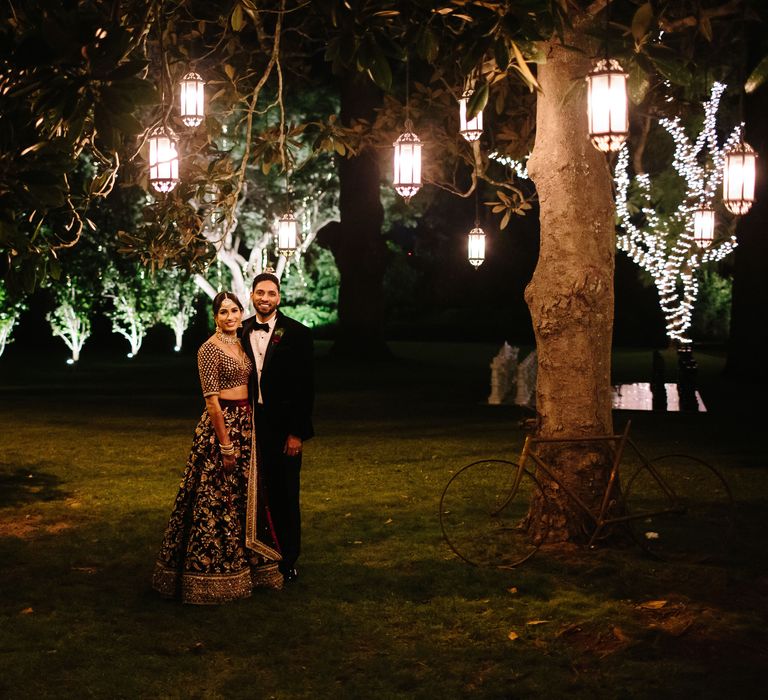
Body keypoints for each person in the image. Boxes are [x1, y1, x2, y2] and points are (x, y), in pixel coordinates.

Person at [152, 291, 283, 604]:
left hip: (245, 425)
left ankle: (247, 565)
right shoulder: (208, 349)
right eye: (223, 312)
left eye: (234, 311)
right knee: (215, 498)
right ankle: (210, 574)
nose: (230, 317)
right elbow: (211, 400)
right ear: (215, 316)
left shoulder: (240, 342)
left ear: (241, 313)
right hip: (221, 428)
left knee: (242, 497)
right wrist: (224, 444)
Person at [241, 272, 314, 583]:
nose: (265, 298)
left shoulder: (298, 334)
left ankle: (288, 559)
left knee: (285, 494)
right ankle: (258, 556)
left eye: (271, 293)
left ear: (279, 297)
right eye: (260, 292)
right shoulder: (240, 331)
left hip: (284, 430)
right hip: (249, 427)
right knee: (254, 494)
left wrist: (297, 432)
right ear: (252, 295)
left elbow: (306, 387)